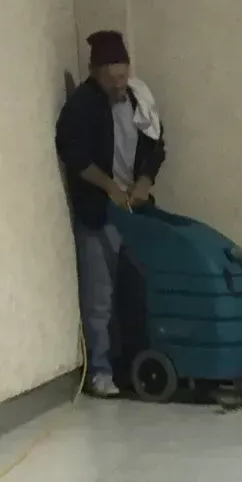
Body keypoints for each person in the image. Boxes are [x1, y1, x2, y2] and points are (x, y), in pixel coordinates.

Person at [54, 30, 166, 397]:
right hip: (100, 214)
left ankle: (134, 366)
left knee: (137, 291)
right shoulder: (82, 107)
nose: (119, 85)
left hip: (135, 212)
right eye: (111, 79)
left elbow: (156, 146)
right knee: (100, 297)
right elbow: (75, 155)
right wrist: (110, 188)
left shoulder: (137, 99)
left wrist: (145, 181)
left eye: (123, 77)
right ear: (94, 72)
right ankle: (100, 371)